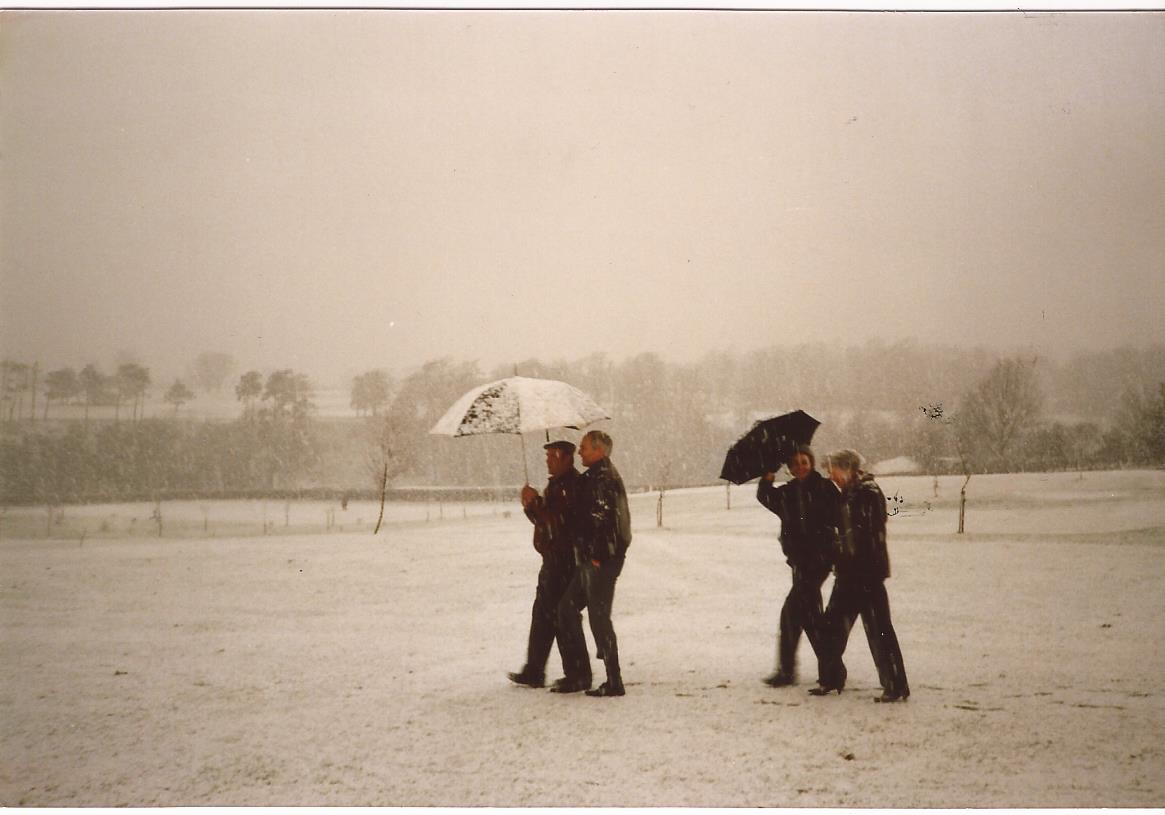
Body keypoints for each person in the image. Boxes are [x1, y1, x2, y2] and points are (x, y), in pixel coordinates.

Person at [811, 449, 910, 703]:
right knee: (831, 627)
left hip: (866, 573)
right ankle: (830, 678)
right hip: (849, 572)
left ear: (847, 468)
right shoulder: (850, 492)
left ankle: (895, 684)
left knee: (878, 629)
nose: (830, 475)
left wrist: (839, 543)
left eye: (833, 470)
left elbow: (861, 532)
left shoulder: (867, 493)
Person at [552, 429, 632, 697]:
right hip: (596, 559)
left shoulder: (603, 479)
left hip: (600, 561)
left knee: (598, 619)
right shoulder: (596, 476)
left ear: (599, 451)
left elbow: (604, 520)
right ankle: (580, 675)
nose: (579, 451)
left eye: (584, 447)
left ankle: (613, 680)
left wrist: (598, 555)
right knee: (567, 610)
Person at [755, 444, 837, 687]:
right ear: (789, 469)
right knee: (810, 617)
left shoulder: (824, 488)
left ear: (811, 463)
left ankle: (789, 671)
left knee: (791, 614)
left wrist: (827, 546)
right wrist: (769, 471)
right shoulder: (788, 493)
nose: (800, 467)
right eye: (794, 463)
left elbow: (838, 518)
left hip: (819, 562)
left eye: (804, 461)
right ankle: (831, 670)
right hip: (799, 563)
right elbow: (765, 496)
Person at [508, 440, 582, 689]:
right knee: (542, 615)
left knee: (562, 617)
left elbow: (557, 522)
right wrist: (531, 506)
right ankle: (534, 670)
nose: (547, 460)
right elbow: (544, 521)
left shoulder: (571, 485)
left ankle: (576, 673)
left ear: (565, 457)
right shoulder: (557, 485)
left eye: (552, 456)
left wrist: (535, 503)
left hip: (565, 562)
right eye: (547, 456)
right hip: (552, 560)